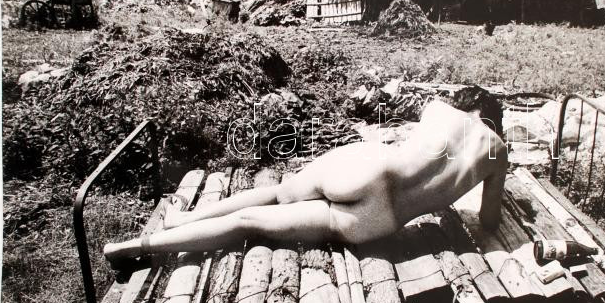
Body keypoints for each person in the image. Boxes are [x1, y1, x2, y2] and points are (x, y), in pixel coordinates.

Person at [104, 86, 508, 267]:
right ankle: (134, 247)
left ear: (466, 103)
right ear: (492, 120)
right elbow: (489, 221)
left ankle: (172, 224)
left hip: (372, 168)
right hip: (378, 221)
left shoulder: (439, 108)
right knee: (249, 225)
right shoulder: (498, 152)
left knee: (280, 193)